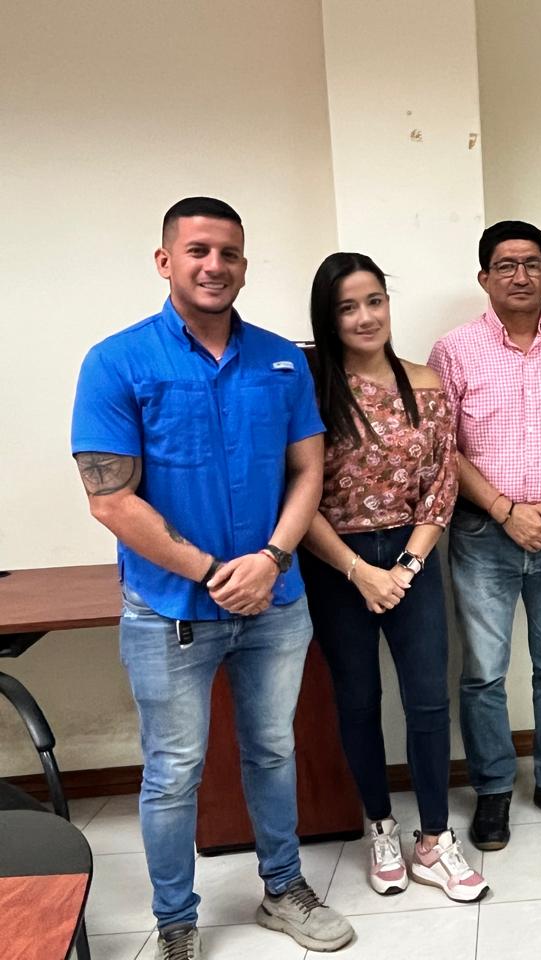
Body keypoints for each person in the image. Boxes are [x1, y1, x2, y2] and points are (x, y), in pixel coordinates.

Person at [70, 197, 353, 958]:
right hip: (169, 610)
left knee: (273, 752)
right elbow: (109, 498)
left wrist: (271, 560)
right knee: (173, 772)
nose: (214, 265)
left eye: (229, 252)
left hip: (275, 603)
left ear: (244, 266)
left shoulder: (281, 360)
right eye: (197, 250)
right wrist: (215, 572)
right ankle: (176, 922)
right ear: (165, 261)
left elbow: (308, 470)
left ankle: (283, 888)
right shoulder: (117, 361)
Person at [297, 252, 488, 902]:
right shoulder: (311, 389)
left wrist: (405, 567)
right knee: (357, 700)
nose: (364, 317)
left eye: (374, 301)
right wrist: (359, 572)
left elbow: (442, 480)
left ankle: (434, 838)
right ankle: (381, 826)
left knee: (428, 701)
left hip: (411, 558)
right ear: (328, 317)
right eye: (347, 307)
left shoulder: (426, 383)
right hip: (335, 563)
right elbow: (298, 492)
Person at [428, 220, 541, 851]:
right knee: (484, 671)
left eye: (532, 264)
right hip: (484, 532)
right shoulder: (454, 351)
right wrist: (507, 511)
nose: (520, 275)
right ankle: (493, 789)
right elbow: (443, 447)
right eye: (506, 265)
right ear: (484, 277)